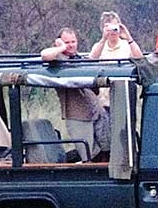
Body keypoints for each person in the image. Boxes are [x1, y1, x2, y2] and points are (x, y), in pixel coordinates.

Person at [40, 28, 110, 161]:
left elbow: (92, 60)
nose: (71, 45)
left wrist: (103, 39)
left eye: (73, 41)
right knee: (89, 155)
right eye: (67, 42)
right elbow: (45, 55)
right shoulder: (57, 60)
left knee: (106, 149)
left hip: (95, 112)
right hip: (77, 116)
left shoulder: (78, 59)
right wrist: (61, 47)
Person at [89, 12, 142, 107]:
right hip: (103, 101)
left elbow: (140, 60)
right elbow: (91, 61)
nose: (112, 31)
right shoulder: (99, 46)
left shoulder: (127, 45)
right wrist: (103, 39)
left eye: (115, 27)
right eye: (109, 28)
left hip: (124, 98)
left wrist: (128, 37)